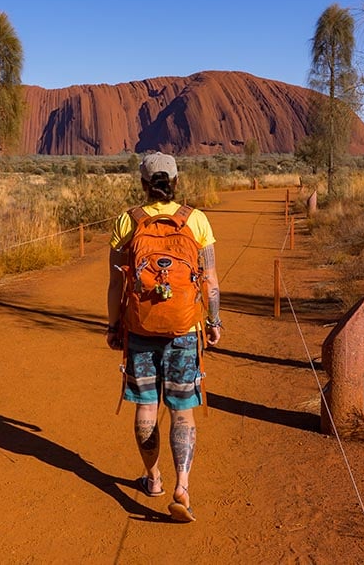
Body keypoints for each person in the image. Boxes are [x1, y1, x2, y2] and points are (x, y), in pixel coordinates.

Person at [106, 151, 221, 523]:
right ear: (175, 182)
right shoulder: (197, 220)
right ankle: (182, 487)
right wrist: (214, 322)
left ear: (143, 183)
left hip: (140, 329)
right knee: (182, 412)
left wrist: (113, 326)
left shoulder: (128, 221)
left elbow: (115, 284)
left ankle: (153, 479)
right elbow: (211, 281)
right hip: (186, 329)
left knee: (146, 408)